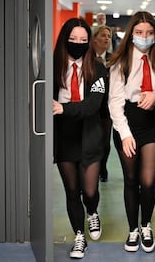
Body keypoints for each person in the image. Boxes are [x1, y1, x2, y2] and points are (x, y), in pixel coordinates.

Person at [107, 11, 155, 253]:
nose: (144, 37)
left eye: (149, 33)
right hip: (127, 123)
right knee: (131, 179)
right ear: (131, 34)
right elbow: (114, 102)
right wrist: (125, 134)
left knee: (148, 180)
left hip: (153, 124)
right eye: (139, 33)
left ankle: (145, 225)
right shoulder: (121, 62)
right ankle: (132, 229)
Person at [52, 17, 107, 259]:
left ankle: (92, 212)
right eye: (73, 39)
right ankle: (79, 237)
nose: (78, 43)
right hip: (64, 137)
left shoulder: (98, 68)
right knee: (72, 191)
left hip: (90, 135)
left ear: (89, 41)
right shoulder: (53, 67)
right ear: (65, 39)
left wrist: (63, 108)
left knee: (90, 190)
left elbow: (93, 105)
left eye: (83, 40)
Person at [92, 25, 113, 182]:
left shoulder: (114, 58)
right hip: (90, 107)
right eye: (103, 35)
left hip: (107, 108)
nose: (106, 38)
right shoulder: (87, 59)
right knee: (92, 141)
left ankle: (102, 167)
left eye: (108, 36)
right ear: (94, 39)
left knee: (105, 142)